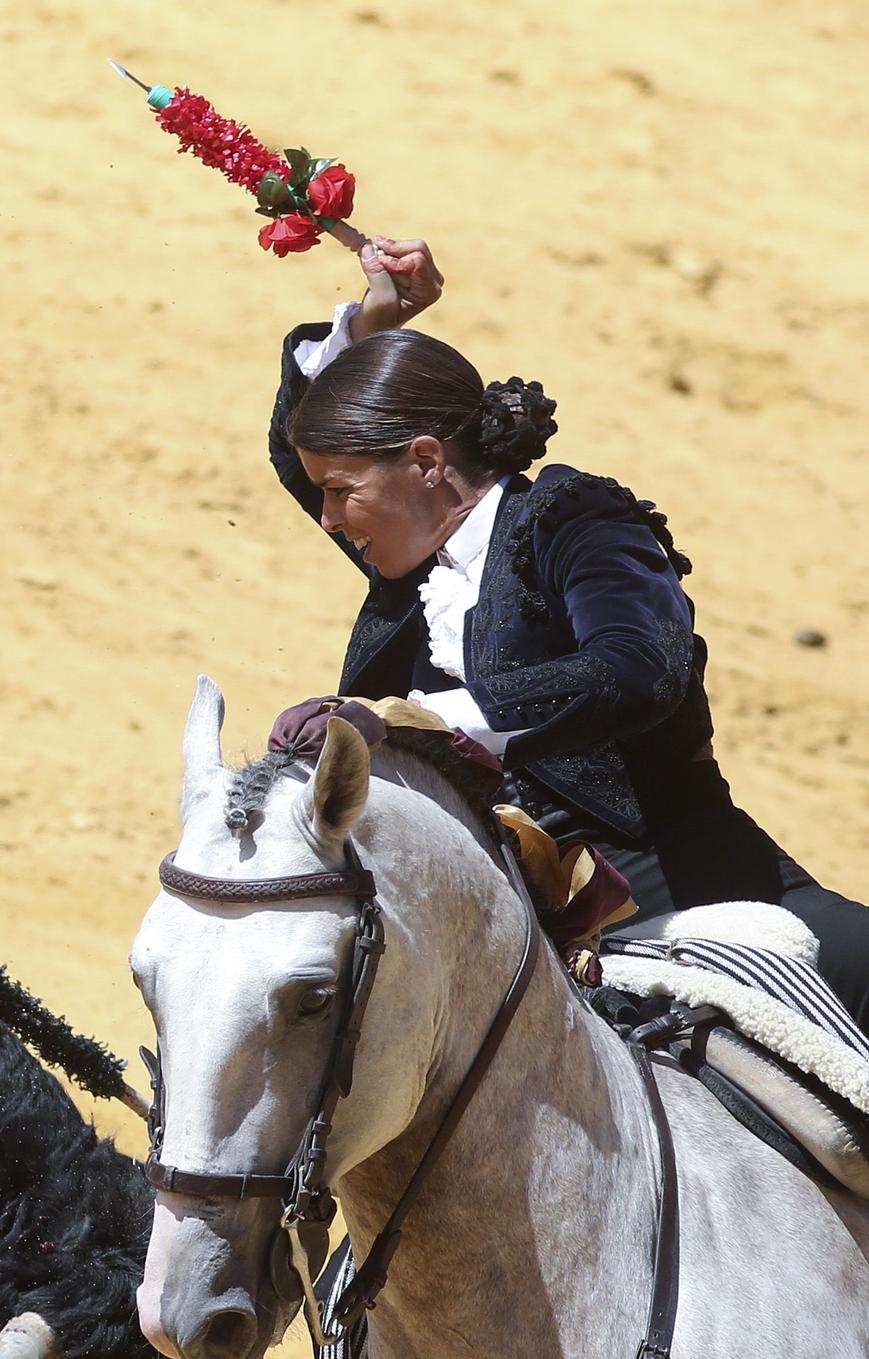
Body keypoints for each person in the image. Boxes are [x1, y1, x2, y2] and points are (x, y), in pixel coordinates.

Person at [269, 234, 869, 1029]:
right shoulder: (415, 557)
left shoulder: (571, 522)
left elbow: (637, 667)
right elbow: (302, 448)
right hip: (486, 902)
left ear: (423, 463)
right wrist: (367, 330)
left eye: (340, 492)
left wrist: (423, 718)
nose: (328, 518)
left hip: (668, 883)